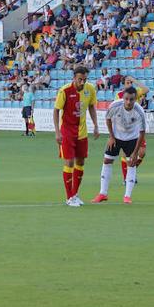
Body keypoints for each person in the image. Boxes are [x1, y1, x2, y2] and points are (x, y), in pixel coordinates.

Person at [53, 65, 99, 207]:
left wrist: (96, 125)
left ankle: (75, 193)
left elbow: (91, 106)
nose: (82, 82)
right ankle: (69, 197)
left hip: (82, 132)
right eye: (80, 79)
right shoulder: (65, 91)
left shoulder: (90, 89)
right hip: (67, 131)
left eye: (84, 79)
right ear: (74, 78)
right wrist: (57, 132)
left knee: (81, 162)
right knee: (69, 162)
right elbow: (56, 111)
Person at [92, 86, 146, 204]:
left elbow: (142, 133)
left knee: (131, 164)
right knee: (107, 160)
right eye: (126, 99)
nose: (128, 102)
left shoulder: (139, 111)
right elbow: (108, 119)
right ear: (123, 97)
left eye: (131, 99)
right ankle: (103, 193)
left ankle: (127, 196)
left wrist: (135, 151)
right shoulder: (115, 106)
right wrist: (111, 136)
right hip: (116, 137)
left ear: (135, 99)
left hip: (132, 139)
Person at [116, 76, 149, 181]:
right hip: (125, 127)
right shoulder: (119, 95)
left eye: (130, 82)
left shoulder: (136, 93)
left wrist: (135, 80)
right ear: (124, 84)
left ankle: (131, 170)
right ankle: (127, 177)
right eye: (127, 82)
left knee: (142, 152)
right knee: (126, 153)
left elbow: (146, 90)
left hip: (138, 126)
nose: (129, 84)